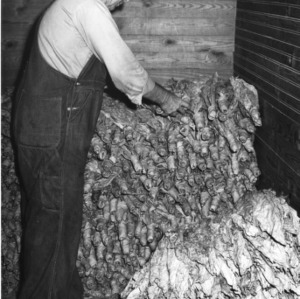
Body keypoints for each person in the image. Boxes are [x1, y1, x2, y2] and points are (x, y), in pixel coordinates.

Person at [12, 0, 189, 298]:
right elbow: (127, 72)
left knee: (49, 225)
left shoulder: (69, 5)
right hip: (55, 135)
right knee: (55, 228)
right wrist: (165, 98)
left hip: (37, 129)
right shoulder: (88, 8)